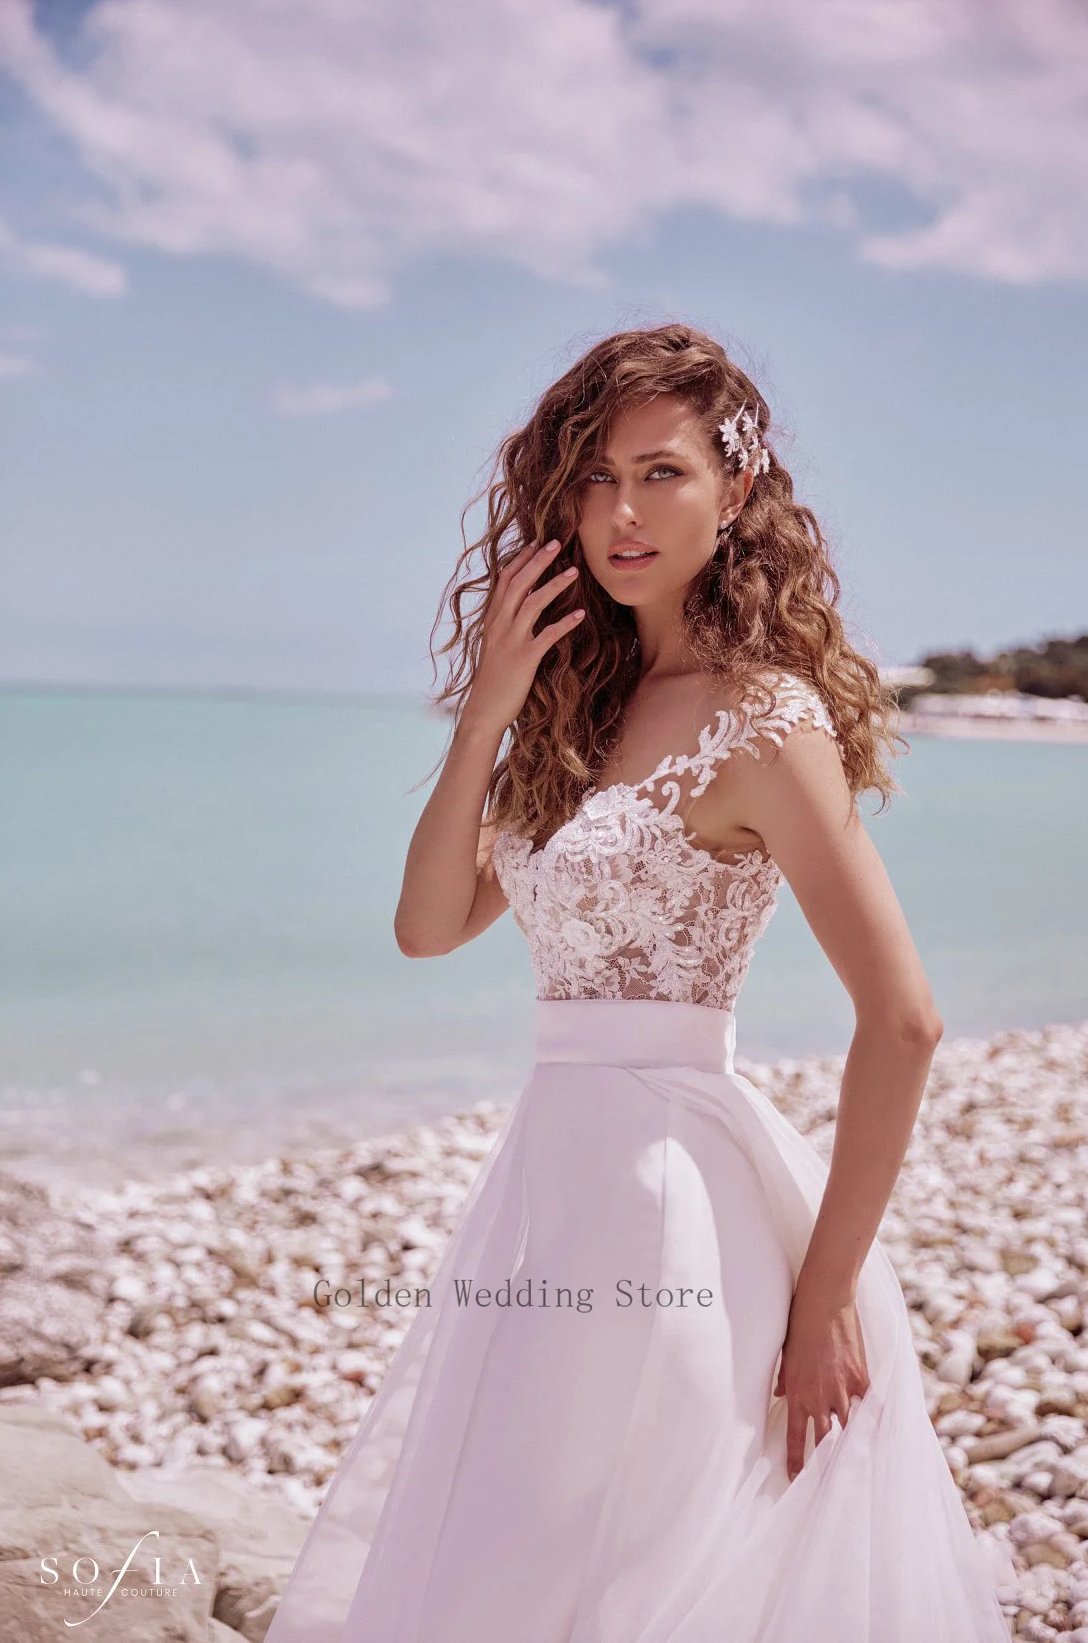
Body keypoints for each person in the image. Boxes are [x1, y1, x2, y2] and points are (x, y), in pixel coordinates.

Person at [265, 323, 1015, 1642]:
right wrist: (492, 704)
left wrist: (825, 1291)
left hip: (680, 1206)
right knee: (521, 1562)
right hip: (545, 1193)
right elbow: (428, 926)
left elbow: (904, 1019)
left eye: (662, 473)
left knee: (646, 1577)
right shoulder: (576, 711)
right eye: (598, 477)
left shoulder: (769, 720)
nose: (622, 510)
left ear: (737, 494)